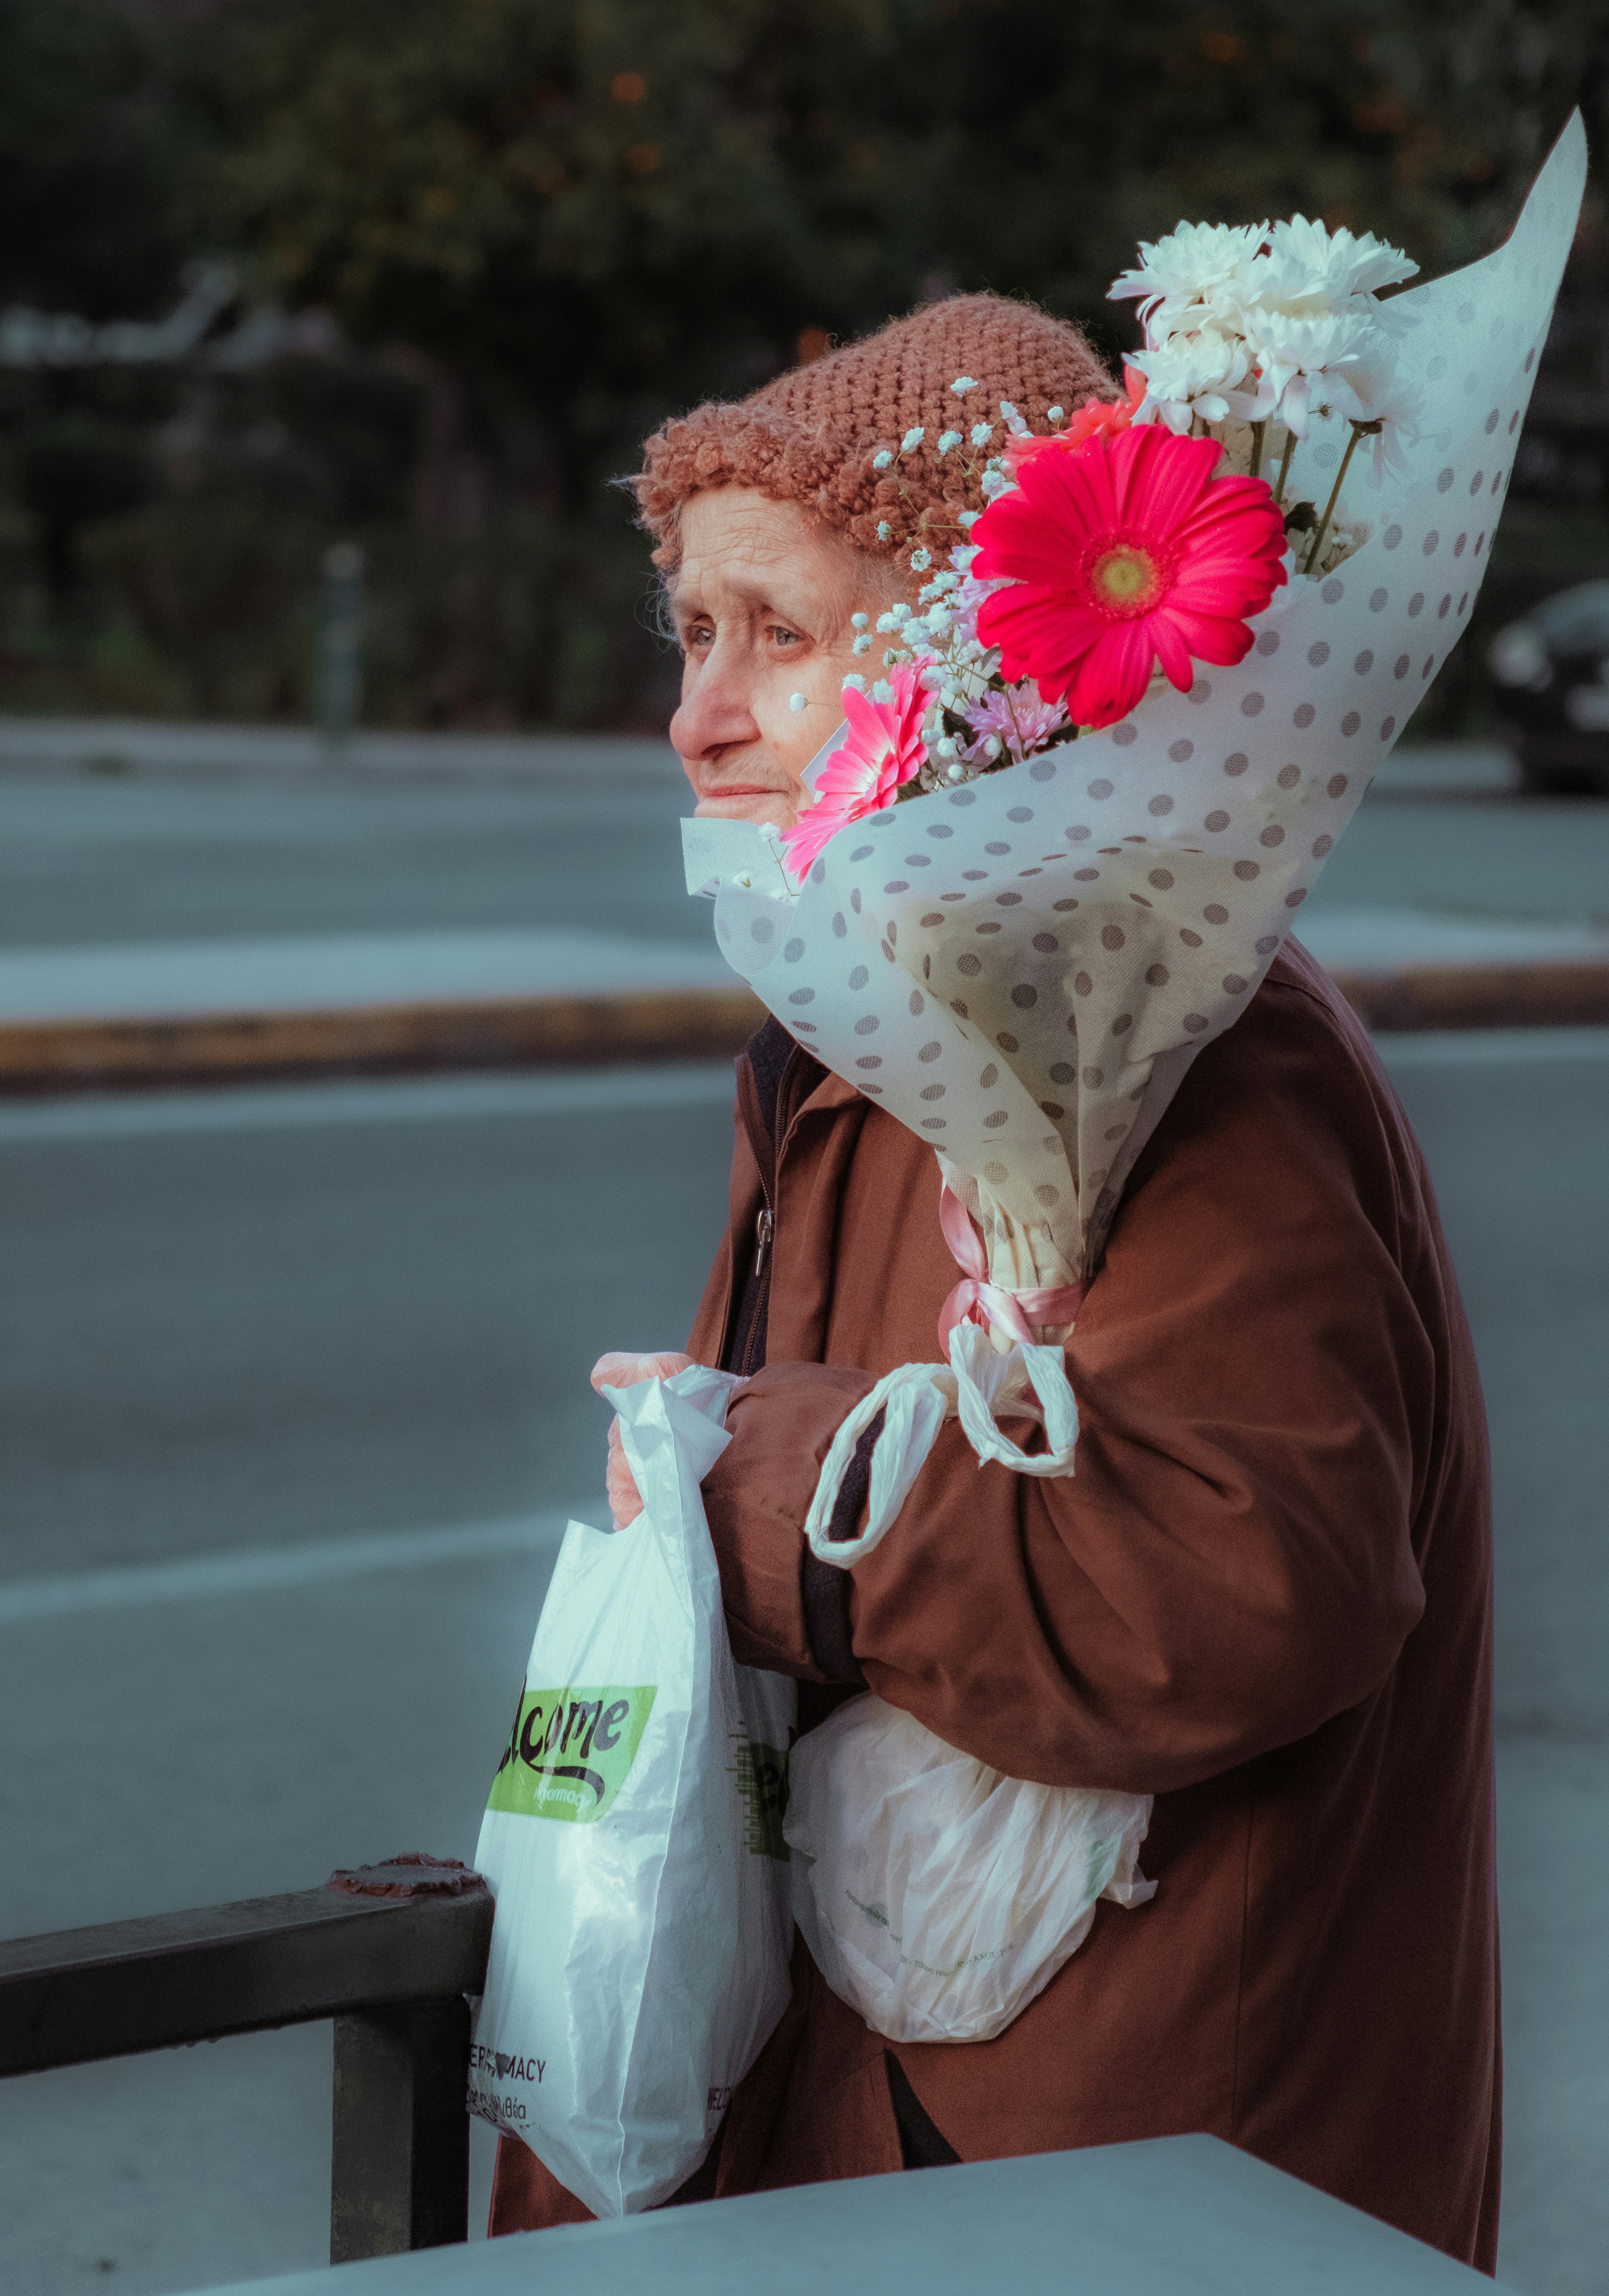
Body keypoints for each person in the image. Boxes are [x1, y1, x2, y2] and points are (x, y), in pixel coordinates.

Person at [487, 294, 1501, 2270]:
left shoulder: (1186, 1042)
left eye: (782, 634)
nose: (698, 710)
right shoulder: (865, 1041)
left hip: (1128, 2160)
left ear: (976, 666)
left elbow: (1252, 1579)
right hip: (927, 2124)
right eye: (693, 633)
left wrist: (764, 1497)